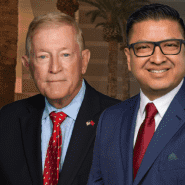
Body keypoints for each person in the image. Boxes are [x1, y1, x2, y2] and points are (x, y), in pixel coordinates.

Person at [88, 4, 185, 185]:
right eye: (144, 47)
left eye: (170, 45)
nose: (157, 58)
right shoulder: (110, 120)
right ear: (128, 57)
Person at [0, 12, 120, 185]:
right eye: (43, 56)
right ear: (28, 65)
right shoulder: (7, 120)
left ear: (84, 61)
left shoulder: (118, 120)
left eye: (65, 55)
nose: (54, 68)